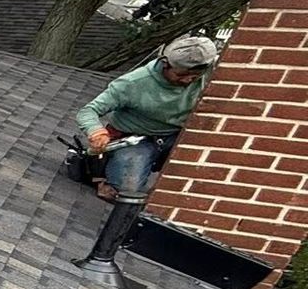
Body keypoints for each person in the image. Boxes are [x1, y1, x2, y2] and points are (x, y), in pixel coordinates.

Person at [72, 35, 220, 197]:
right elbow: (88, 111)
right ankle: (104, 173)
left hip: (176, 137)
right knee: (125, 193)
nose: (188, 80)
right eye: (181, 75)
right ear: (165, 64)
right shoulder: (133, 83)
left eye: (195, 76)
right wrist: (96, 131)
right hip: (135, 139)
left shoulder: (207, 77)